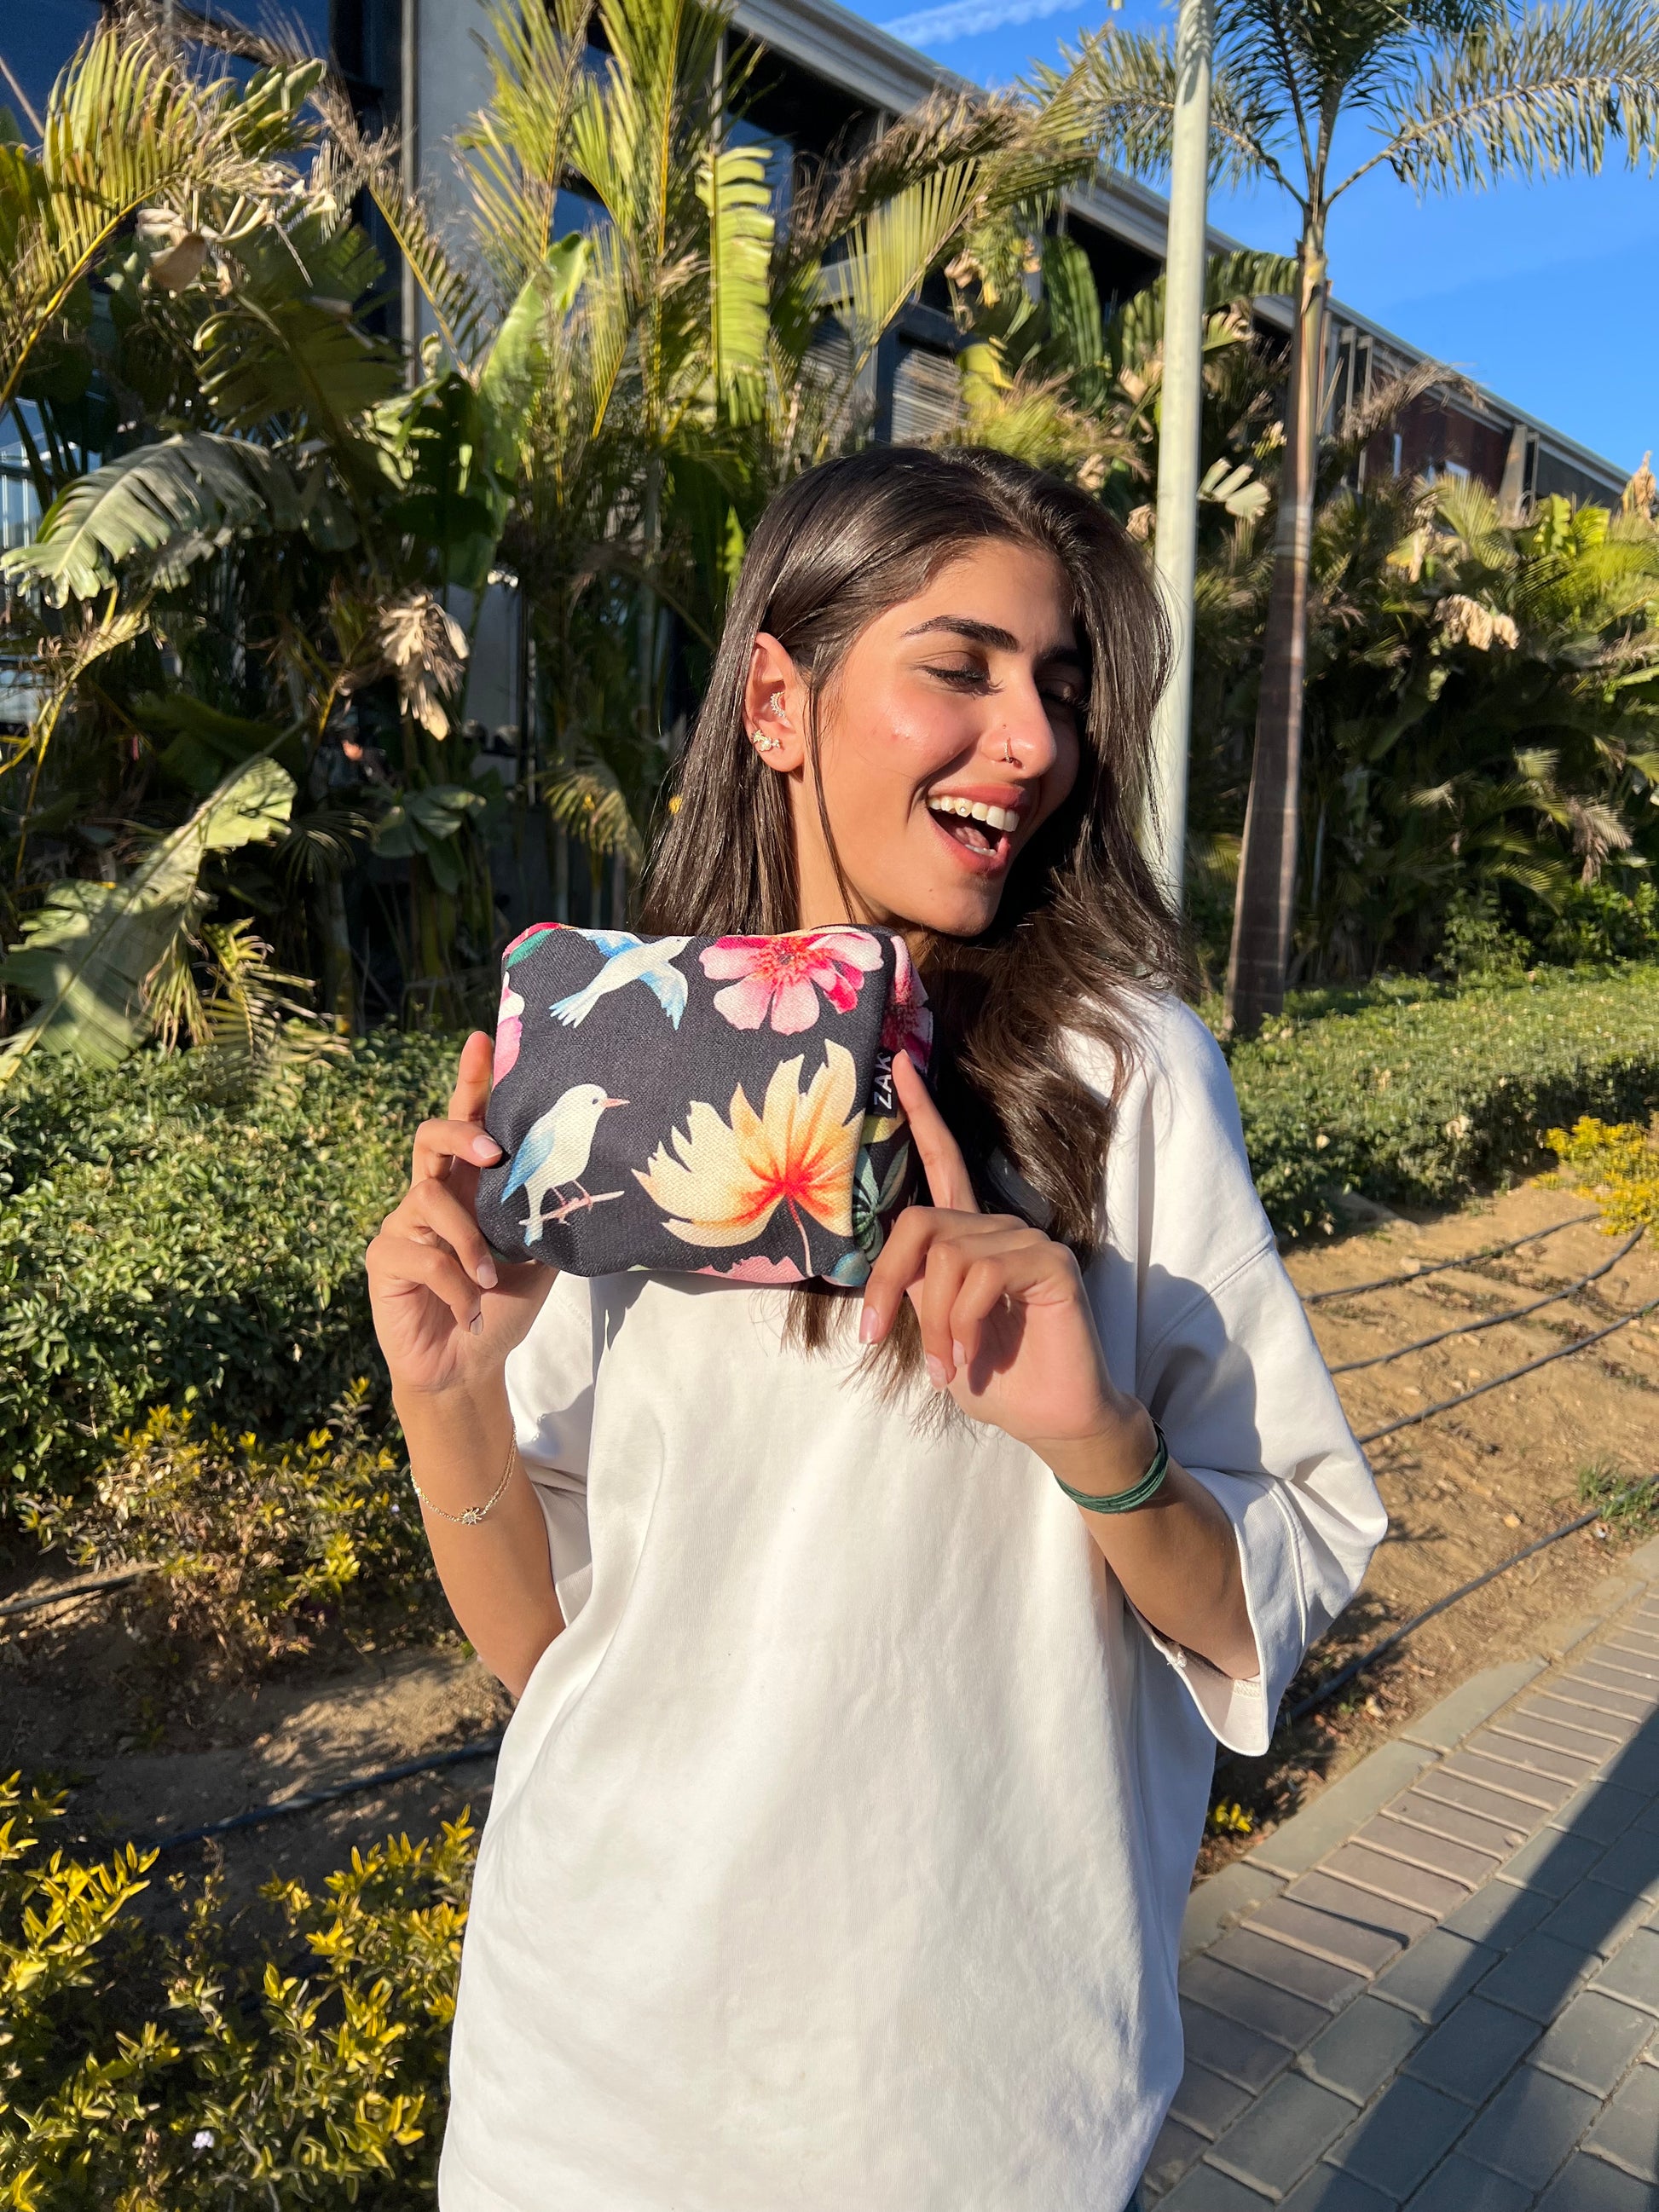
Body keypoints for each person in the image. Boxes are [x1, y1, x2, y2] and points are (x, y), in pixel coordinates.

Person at [366, 446, 1384, 2211]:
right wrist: (447, 1393)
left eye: (1057, 685)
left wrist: (1096, 1444)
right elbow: (555, 1658)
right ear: (778, 698)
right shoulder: (617, 1062)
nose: (1033, 741)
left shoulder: (1117, 1071)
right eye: (959, 667)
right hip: (588, 2071)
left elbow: (1262, 1597)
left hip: (966, 2091)